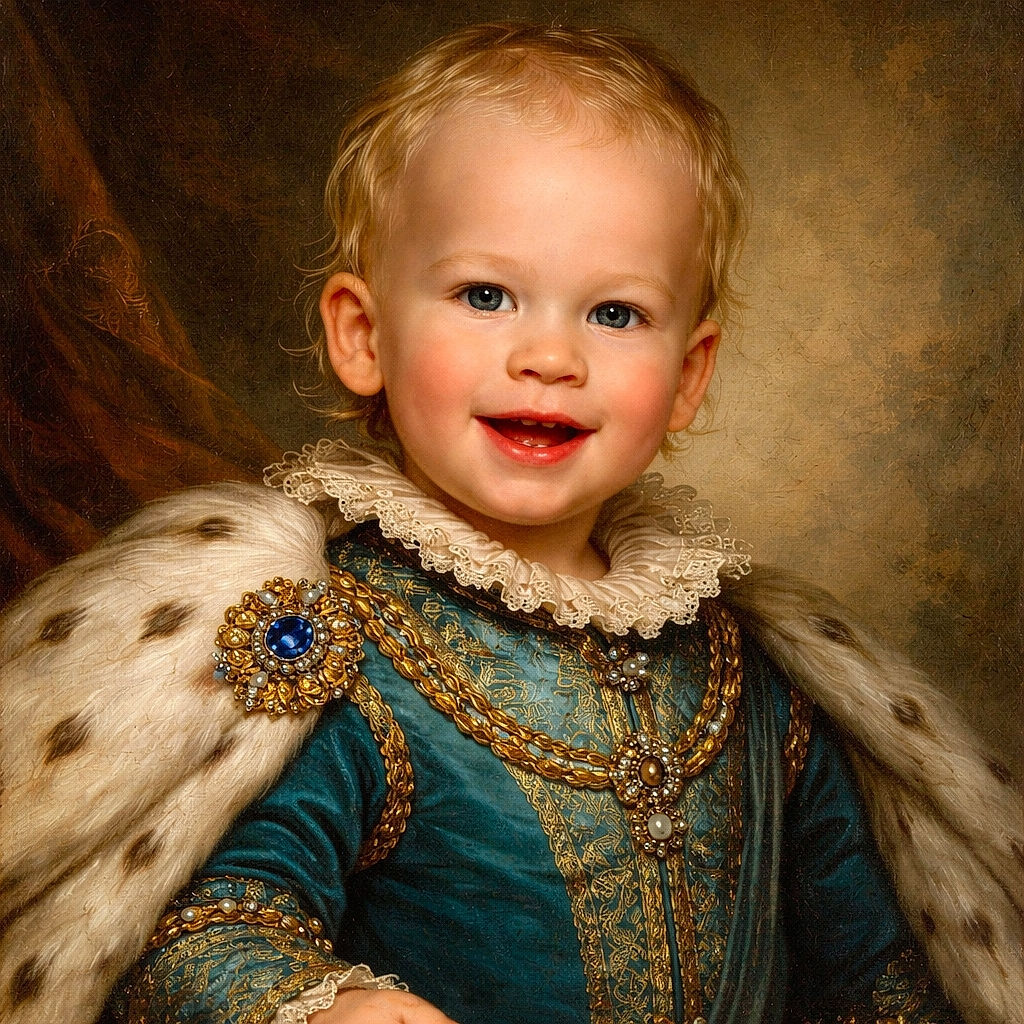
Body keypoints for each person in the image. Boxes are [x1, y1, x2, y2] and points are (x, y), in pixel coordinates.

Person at [1, 22, 1020, 1024]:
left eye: (613, 314)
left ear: (688, 379)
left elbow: (874, 969)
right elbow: (203, 927)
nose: (549, 356)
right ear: (363, 336)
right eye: (485, 294)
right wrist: (326, 1006)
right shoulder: (337, 649)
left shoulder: (752, 679)